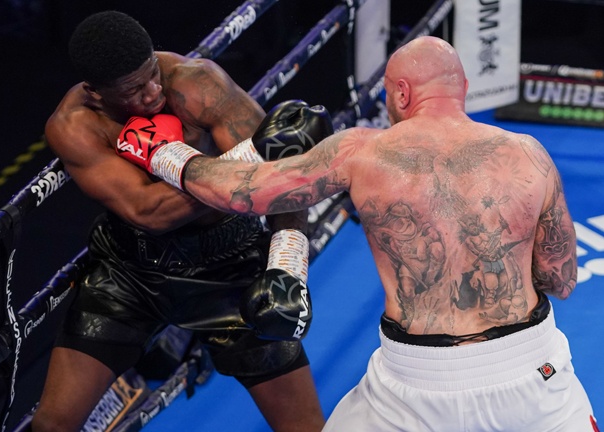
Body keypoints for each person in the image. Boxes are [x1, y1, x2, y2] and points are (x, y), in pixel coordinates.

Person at [121, 36, 599, 431]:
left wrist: (163, 153)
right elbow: (561, 279)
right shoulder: (529, 152)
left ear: (403, 94)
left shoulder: (361, 152)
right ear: (463, 88)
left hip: (413, 385)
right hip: (533, 372)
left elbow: (237, 193)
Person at [32, 10, 332, 432]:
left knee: (304, 427)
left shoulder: (197, 82)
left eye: (153, 73)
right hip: (130, 272)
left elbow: (282, 174)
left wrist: (287, 263)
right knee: (52, 425)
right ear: (96, 94)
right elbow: (149, 213)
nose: (154, 92)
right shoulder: (75, 126)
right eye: (134, 90)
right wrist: (248, 158)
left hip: (230, 264)